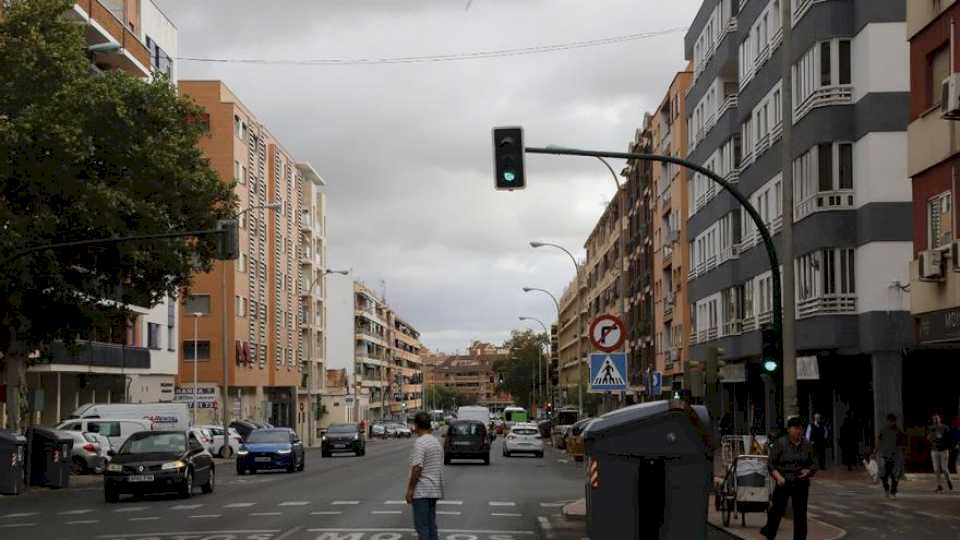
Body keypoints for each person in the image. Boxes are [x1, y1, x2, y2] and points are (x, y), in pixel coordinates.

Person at [761, 416, 817, 540]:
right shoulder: (781, 443)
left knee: (800, 515)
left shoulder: (807, 444)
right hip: (784, 481)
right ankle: (769, 534)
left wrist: (809, 471)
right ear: (789, 430)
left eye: (800, 428)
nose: (798, 431)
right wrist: (778, 477)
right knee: (776, 511)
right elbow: (771, 463)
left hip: (801, 482)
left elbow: (814, 464)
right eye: (795, 428)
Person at [406, 411, 444, 540]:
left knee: (422, 526)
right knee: (431, 525)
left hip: (422, 491)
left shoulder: (420, 442)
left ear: (417, 425)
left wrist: (410, 489)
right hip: (434, 489)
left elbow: (417, 467)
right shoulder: (436, 442)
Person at [876, 413, 904, 499]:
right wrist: (875, 451)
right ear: (887, 421)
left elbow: (902, 444)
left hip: (895, 456)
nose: (892, 423)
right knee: (883, 475)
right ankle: (886, 489)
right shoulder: (883, 430)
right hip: (884, 455)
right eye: (890, 421)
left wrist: (901, 456)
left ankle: (893, 492)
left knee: (894, 475)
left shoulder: (899, 431)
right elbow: (879, 441)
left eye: (893, 421)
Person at [927, 414, 954, 491]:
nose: (935, 420)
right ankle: (939, 485)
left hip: (944, 450)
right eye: (934, 419)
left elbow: (949, 438)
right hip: (934, 450)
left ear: (940, 419)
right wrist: (930, 436)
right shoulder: (931, 428)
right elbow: (929, 438)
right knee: (936, 469)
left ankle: (948, 480)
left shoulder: (945, 427)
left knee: (944, 469)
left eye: (936, 419)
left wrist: (949, 447)